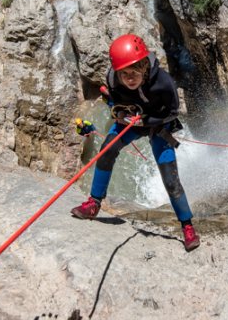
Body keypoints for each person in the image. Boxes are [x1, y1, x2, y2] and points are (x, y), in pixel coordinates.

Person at [71, 34, 201, 252]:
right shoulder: (113, 80)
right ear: (117, 72)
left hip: (158, 126)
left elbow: (172, 112)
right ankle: (94, 203)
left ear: (143, 66)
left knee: (170, 178)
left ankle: (187, 226)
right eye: (124, 74)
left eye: (134, 72)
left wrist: (146, 121)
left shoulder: (164, 82)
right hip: (129, 122)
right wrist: (120, 113)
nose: (129, 78)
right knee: (107, 151)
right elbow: (113, 101)